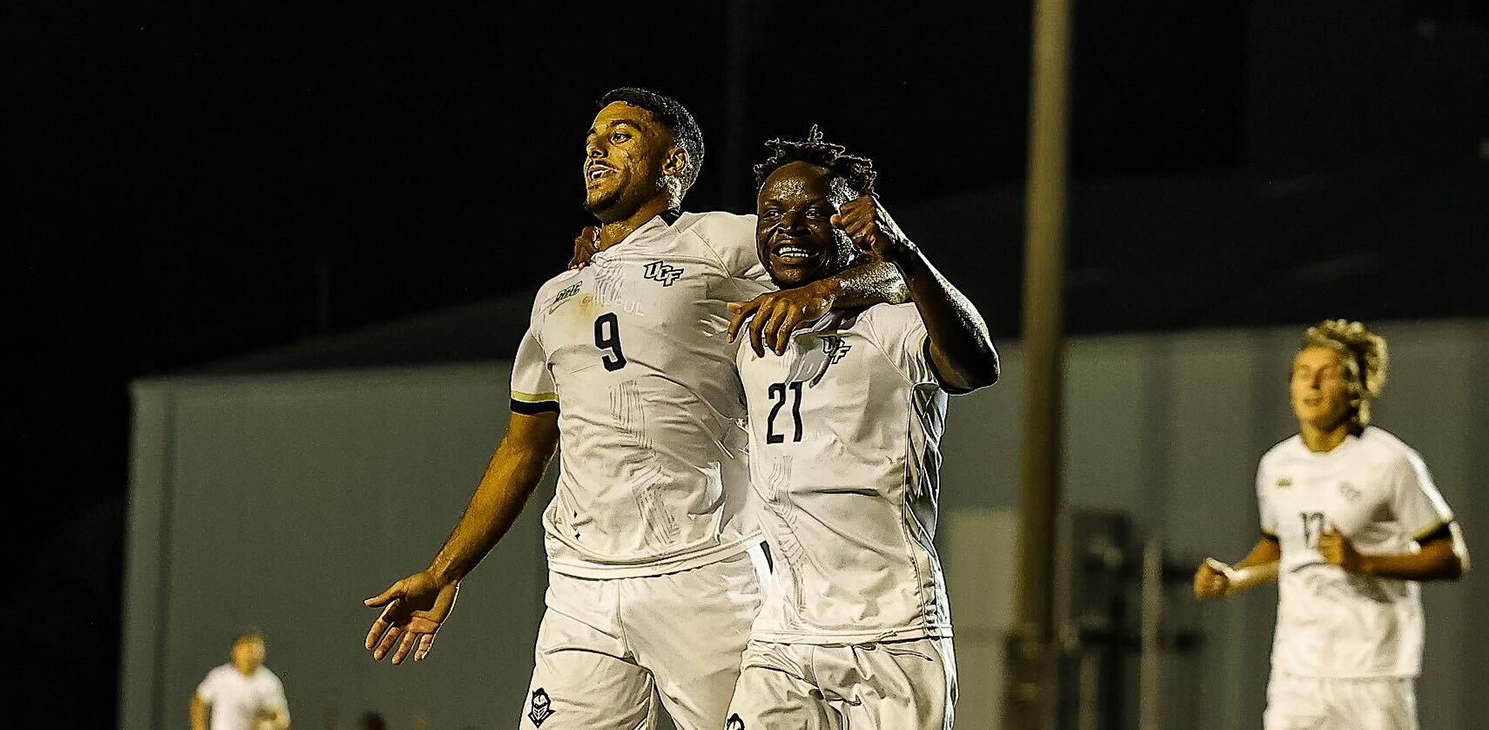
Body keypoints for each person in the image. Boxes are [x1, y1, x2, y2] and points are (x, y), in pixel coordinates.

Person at [361, 88, 906, 730]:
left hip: (705, 572)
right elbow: (524, 447)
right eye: (592, 137)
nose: (596, 146)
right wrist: (444, 570)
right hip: (581, 588)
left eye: (621, 134)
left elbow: (885, 275)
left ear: (673, 162)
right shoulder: (558, 293)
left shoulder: (719, 240)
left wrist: (825, 294)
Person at [722, 127, 996, 730]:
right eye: (772, 211)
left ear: (851, 223)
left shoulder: (895, 324)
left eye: (813, 212)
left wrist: (892, 255)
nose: (787, 225)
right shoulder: (750, 320)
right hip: (783, 631)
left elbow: (977, 364)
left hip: (889, 631)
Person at [1194, 319, 1469, 730]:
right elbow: (1282, 546)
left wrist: (1363, 562)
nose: (1313, 385)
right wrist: (1233, 579)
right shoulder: (1275, 466)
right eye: (1303, 374)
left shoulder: (1390, 462)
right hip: (1296, 671)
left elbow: (1450, 558)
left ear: (1355, 389)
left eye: (1327, 374)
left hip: (1373, 671)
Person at [190, 631, 290, 730]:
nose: (252, 651)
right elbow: (199, 702)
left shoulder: (269, 681)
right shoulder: (220, 677)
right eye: (246, 645)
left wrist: (269, 720)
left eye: (257, 645)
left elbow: (282, 719)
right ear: (235, 650)